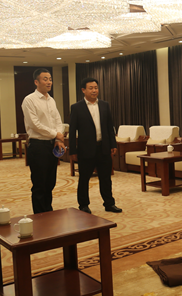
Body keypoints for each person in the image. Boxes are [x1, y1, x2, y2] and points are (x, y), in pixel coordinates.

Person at [69, 78, 121, 214]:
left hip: (103, 148)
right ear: (83, 90)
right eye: (91, 88)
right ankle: (83, 205)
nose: (94, 90)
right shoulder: (76, 107)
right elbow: (72, 130)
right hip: (85, 149)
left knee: (106, 178)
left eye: (96, 88)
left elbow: (110, 126)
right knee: (84, 179)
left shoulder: (104, 105)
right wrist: (72, 150)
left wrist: (113, 144)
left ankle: (109, 203)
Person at [21, 68, 65, 214]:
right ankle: (40, 216)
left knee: (50, 182)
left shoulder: (51, 100)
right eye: (45, 79)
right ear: (36, 82)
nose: (49, 82)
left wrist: (58, 138)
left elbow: (58, 120)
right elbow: (35, 125)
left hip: (52, 145)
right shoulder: (29, 100)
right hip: (38, 145)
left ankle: (48, 211)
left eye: (50, 79)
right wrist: (56, 134)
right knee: (39, 183)